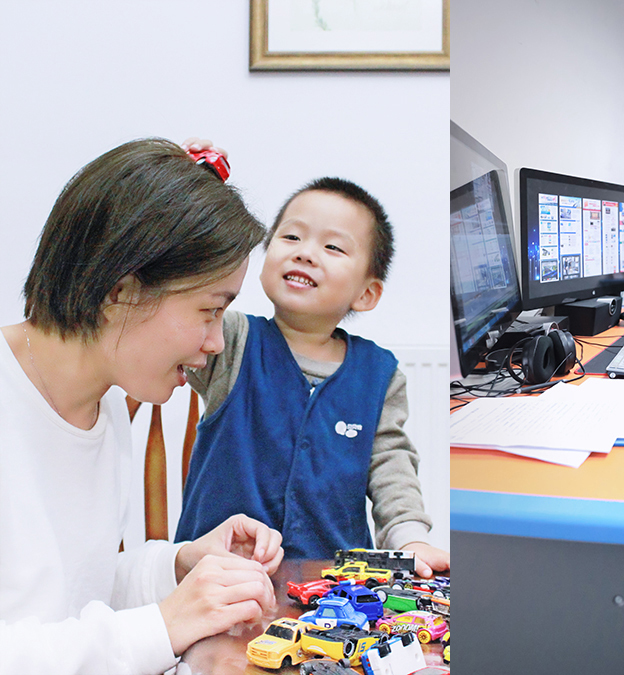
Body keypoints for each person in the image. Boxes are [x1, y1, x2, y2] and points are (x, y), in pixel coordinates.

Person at [0, 138, 285, 675]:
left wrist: (179, 565)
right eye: (209, 310)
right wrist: (162, 625)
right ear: (121, 291)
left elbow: (74, 593)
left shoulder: (104, 405)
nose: (216, 343)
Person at [174, 174, 450, 578]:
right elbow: (182, 290)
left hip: (336, 588)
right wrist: (193, 187)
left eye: (333, 247)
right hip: (219, 579)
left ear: (366, 294)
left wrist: (410, 539)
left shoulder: (379, 374)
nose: (305, 253)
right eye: (291, 237)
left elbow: (392, 466)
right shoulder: (229, 340)